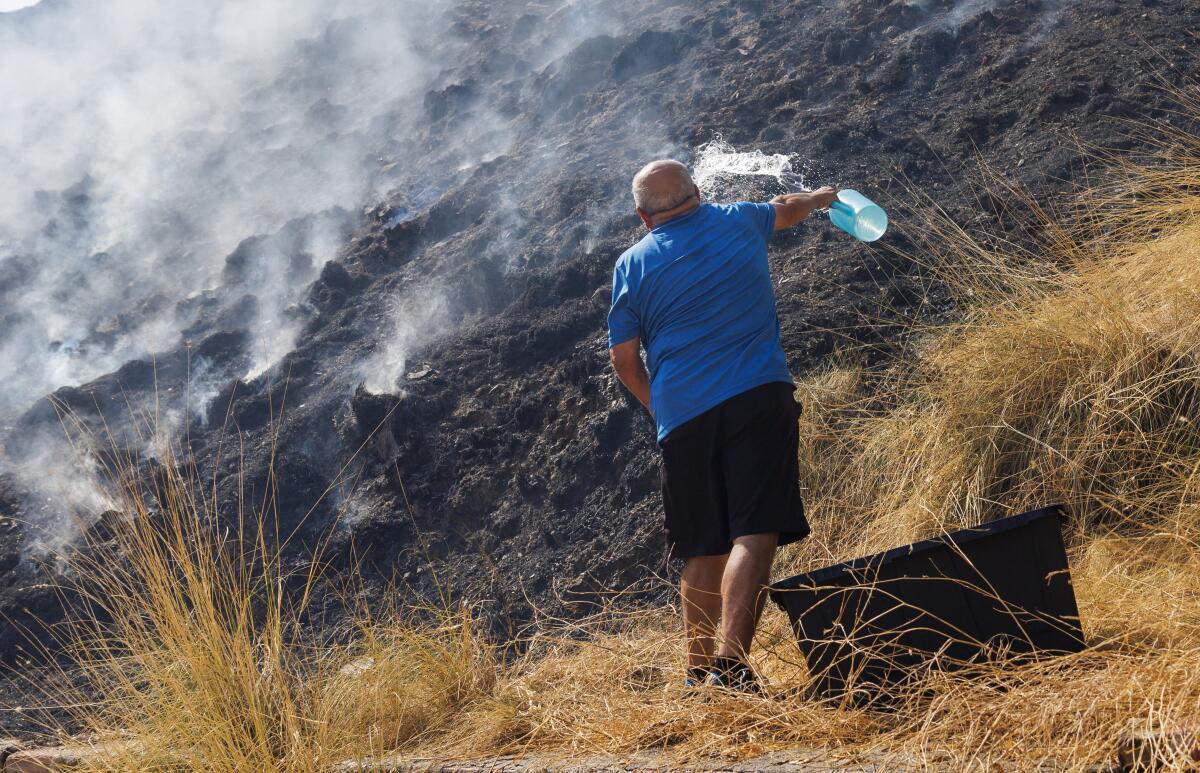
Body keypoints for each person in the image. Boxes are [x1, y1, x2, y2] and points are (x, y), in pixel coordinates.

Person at [607, 159, 837, 692]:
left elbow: (623, 360)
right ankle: (731, 669)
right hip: (757, 396)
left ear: (643, 218)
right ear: (699, 193)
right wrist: (825, 196)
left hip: (683, 418)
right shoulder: (738, 219)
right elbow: (789, 209)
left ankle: (696, 672)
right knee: (754, 531)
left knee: (701, 544)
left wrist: (660, 407)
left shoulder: (631, 265)